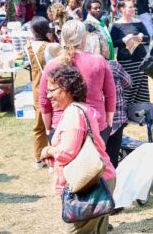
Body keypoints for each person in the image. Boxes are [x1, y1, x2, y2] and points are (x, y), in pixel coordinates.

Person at [39, 65, 115, 233]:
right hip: (99, 179)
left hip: (89, 184)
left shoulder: (73, 114)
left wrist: (48, 150)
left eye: (52, 90)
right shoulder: (82, 109)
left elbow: (66, 153)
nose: (48, 95)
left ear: (67, 88)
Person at [39, 20, 116, 145]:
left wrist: (48, 129)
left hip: (62, 127)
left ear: (62, 38)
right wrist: (109, 123)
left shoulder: (52, 65)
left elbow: (44, 101)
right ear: (84, 38)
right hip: (95, 125)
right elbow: (111, 94)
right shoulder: (99, 61)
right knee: (95, 164)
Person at [84, 30, 132, 169]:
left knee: (94, 158)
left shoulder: (84, 67)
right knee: (111, 160)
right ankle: (111, 186)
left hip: (93, 120)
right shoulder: (114, 66)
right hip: (115, 120)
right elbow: (129, 82)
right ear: (104, 48)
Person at [25, 16, 62, 169]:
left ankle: (39, 157)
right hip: (52, 88)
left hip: (36, 88)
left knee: (39, 124)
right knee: (55, 123)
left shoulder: (29, 46)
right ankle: (54, 156)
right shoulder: (52, 47)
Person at [110, 0, 150, 106]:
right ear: (122, 9)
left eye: (133, 7)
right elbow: (113, 43)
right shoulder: (116, 25)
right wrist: (123, 40)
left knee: (142, 86)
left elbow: (148, 38)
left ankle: (142, 109)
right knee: (128, 85)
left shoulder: (138, 22)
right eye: (130, 7)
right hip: (126, 61)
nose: (133, 9)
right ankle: (127, 109)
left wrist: (141, 37)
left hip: (140, 59)